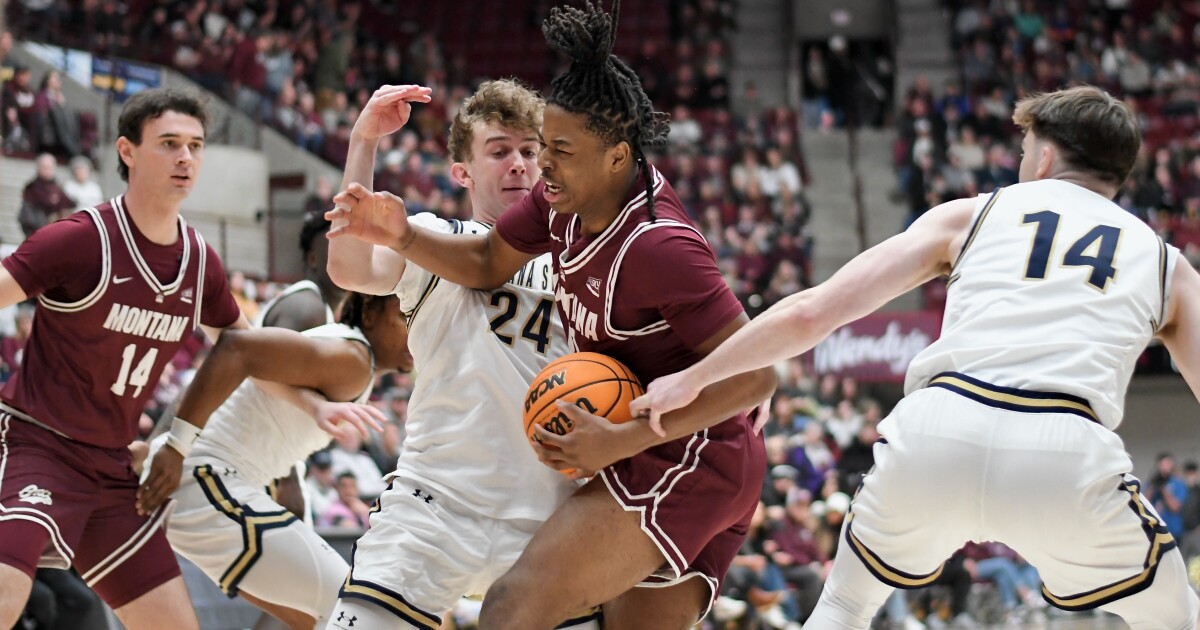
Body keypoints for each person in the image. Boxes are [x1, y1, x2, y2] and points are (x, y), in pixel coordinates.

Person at [632, 85, 1200, 627]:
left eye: (1024, 151)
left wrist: (696, 378)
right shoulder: (1166, 264)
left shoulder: (972, 214)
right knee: (1177, 617)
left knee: (842, 610)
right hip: (1065, 451)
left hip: (939, 430)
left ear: (1045, 157)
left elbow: (812, 314)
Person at [325, 3, 776, 627]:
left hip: (627, 474)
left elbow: (755, 374)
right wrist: (392, 217)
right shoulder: (526, 212)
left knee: (520, 611)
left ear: (614, 156)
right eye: (517, 150)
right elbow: (456, 261)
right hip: (459, 494)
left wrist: (632, 435)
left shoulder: (655, 244)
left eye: (549, 150)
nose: (537, 167)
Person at [322, 80, 593, 630]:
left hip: (551, 517)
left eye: (528, 151)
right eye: (499, 151)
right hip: (435, 505)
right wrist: (364, 142)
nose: (518, 164)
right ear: (462, 173)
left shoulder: (586, 263)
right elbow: (349, 268)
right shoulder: (432, 236)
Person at [0, 88, 245, 630]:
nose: (186, 158)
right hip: (37, 445)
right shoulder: (80, 239)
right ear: (127, 151)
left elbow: (245, 349)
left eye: (196, 146)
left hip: (112, 468)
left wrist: (318, 407)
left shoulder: (201, 259)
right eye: (170, 144)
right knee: (5, 598)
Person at [146, 292, 409, 629]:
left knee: (314, 618)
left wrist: (162, 444)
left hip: (208, 482)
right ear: (370, 313)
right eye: (404, 316)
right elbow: (234, 347)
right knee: (364, 613)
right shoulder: (354, 357)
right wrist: (173, 447)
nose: (414, 330)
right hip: (204, 477)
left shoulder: (349, 358)